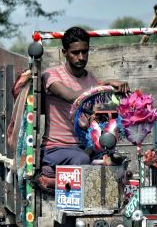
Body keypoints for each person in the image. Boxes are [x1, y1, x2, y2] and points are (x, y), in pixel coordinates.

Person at [39, 26, 128, 184]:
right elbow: (73, 97)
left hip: (85, 146)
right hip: (57, 148)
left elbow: (99, 113)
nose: (81, 57)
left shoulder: (91, 80)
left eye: (84, 51)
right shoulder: (51, 76)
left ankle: (115, 207)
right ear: (64, 52)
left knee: (118, 162)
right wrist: (105, 84)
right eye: (75, 52)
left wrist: (118, 95)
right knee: (81, 159)